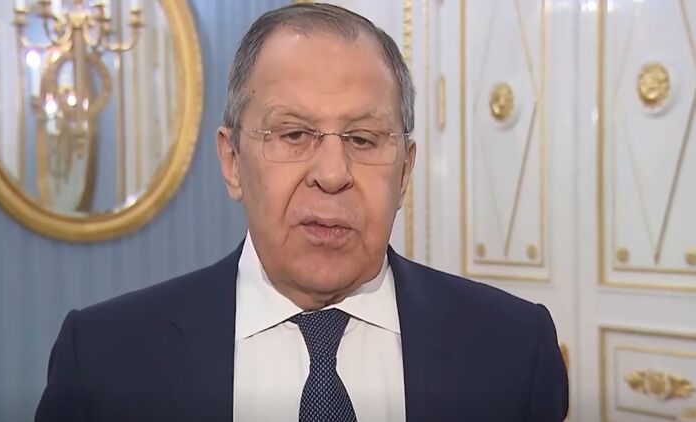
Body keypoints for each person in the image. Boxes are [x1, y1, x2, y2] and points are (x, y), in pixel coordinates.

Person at [35, 4, 568, 421]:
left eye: (363, 138)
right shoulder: (104, 359)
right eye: (293, 134)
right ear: (232, 162)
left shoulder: (514, 351)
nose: (332, 174)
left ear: (404, 171)